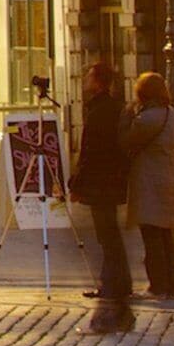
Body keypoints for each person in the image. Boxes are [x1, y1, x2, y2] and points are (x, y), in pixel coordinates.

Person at [67, 58, 134, 332]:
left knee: (107, 234)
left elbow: (89, 153)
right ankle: (115, 282)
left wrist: (75, 184)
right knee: (109, 234)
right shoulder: (116, 109)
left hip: (100, 182)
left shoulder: (99, 112)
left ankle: (113, 284)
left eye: (89, 77)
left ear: (99, 82)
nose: (85, 82)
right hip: (111, 180)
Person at [125, 70, 174, 306]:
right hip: (170, 183)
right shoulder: (173, 115)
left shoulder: (147, 118)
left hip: (150, 185)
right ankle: (169, 285)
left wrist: (127, 115)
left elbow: (127, 140)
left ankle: (158, 286)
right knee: (166, 236)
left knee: (152, 236)